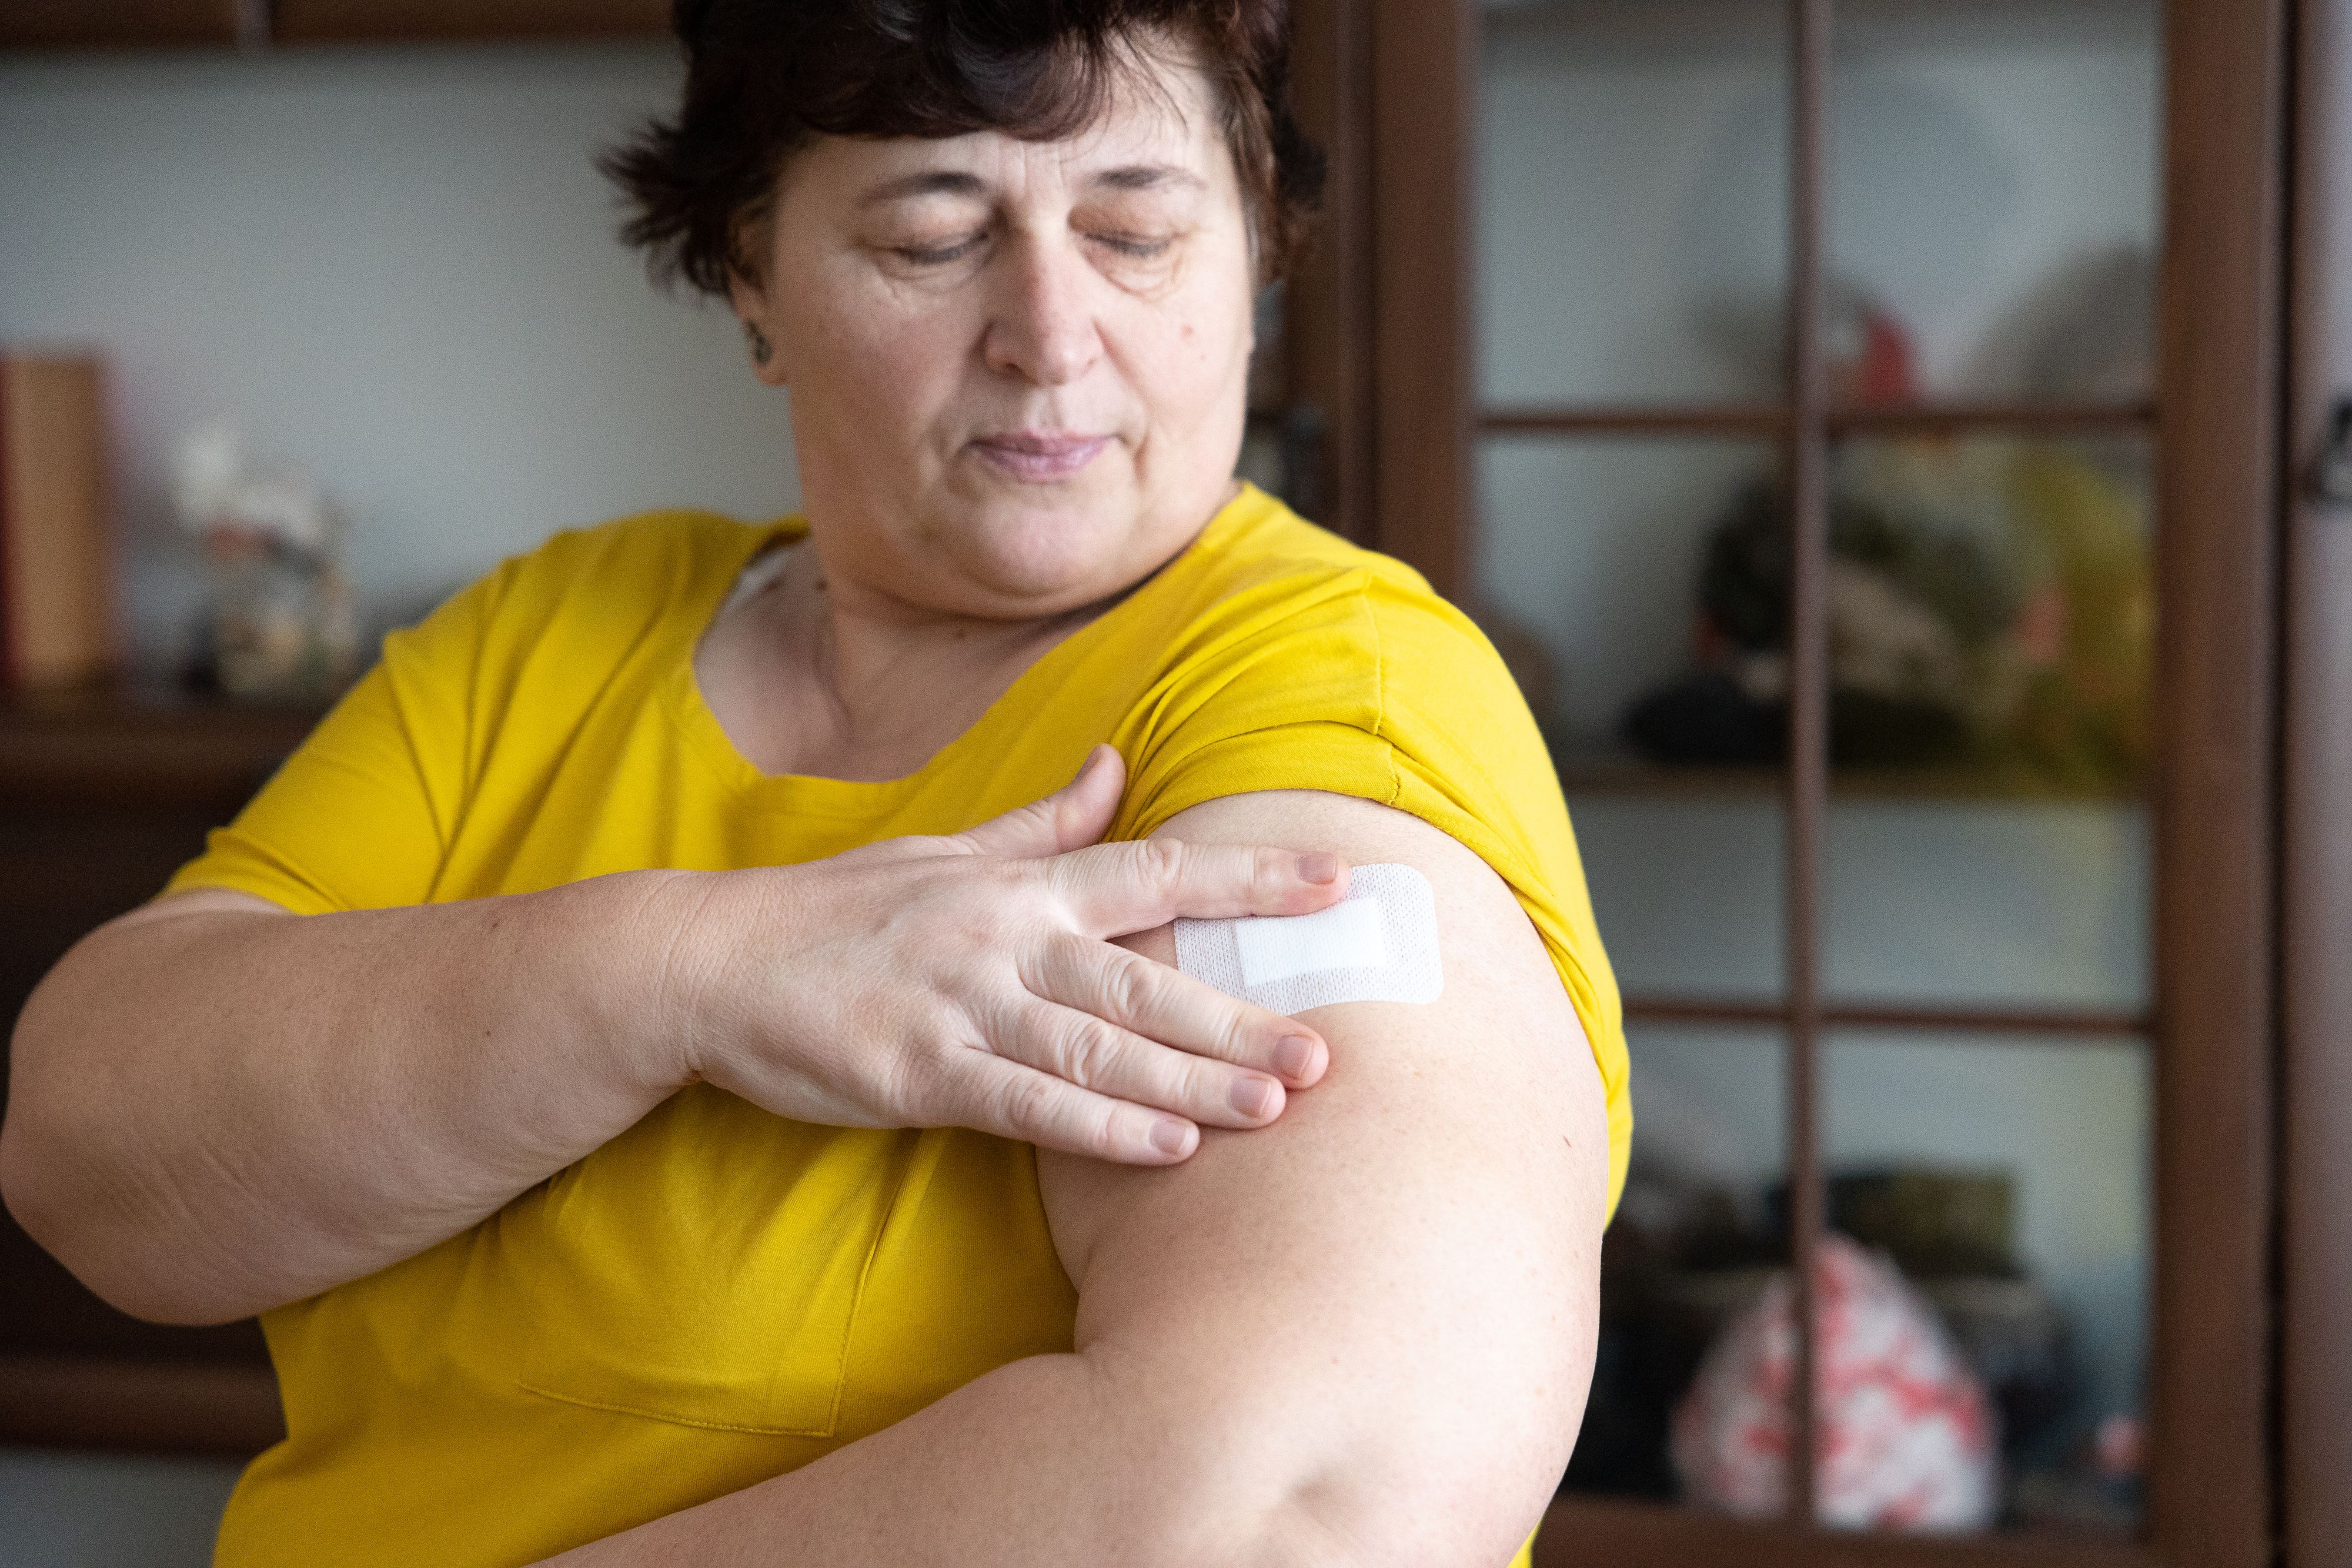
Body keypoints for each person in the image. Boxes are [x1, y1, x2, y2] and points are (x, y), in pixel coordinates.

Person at [0, 2, 1630, 1563]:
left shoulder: (1330, 701)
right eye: (933, 236)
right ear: (750, 275)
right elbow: (85, 1157)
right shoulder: (550, 634)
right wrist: (685, 973)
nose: (1053, 337)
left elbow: (1303, 1502)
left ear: (1256, 252)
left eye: (1135, 232)